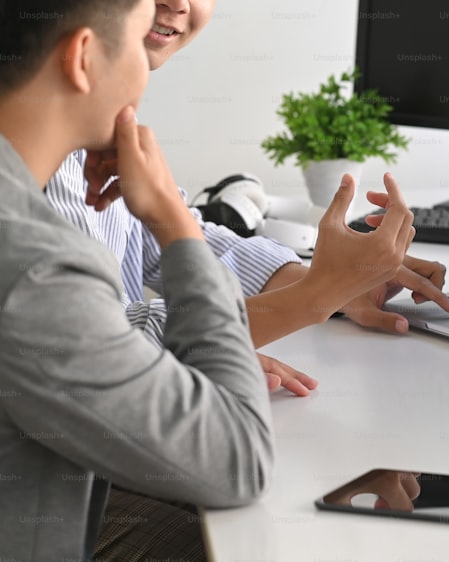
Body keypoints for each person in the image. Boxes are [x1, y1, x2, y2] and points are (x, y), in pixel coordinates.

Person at [0, 0, 416, 559]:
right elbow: (236, 460)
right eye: (133, 32)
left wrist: (315, 280)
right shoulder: (30, 261)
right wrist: (306, 293)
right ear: (83, 57)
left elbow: (124, 269)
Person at [46, 0, 449, 397]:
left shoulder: (94, 130)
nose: (178, 3)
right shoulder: (41, 161)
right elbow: (95, 349)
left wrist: (333, 283)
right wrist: (307, 300)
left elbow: (152, 244)